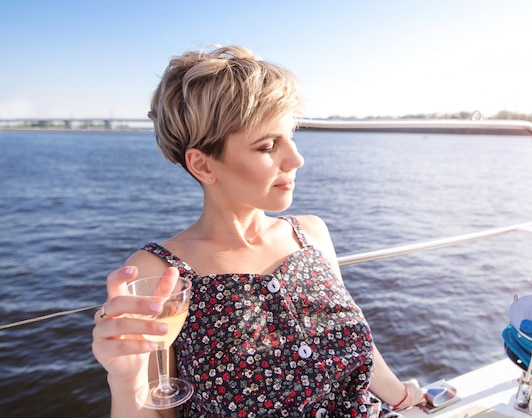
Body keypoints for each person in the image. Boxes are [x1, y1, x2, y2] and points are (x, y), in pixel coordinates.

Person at [92, 45, 425, 417]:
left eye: (292, 137)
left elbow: (356, 344)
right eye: (268, 146)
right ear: (202, 165)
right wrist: (126, 382)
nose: (296, 160)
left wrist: (400, 396)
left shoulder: (311, 235)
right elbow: (158, 406)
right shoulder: (159, 273)